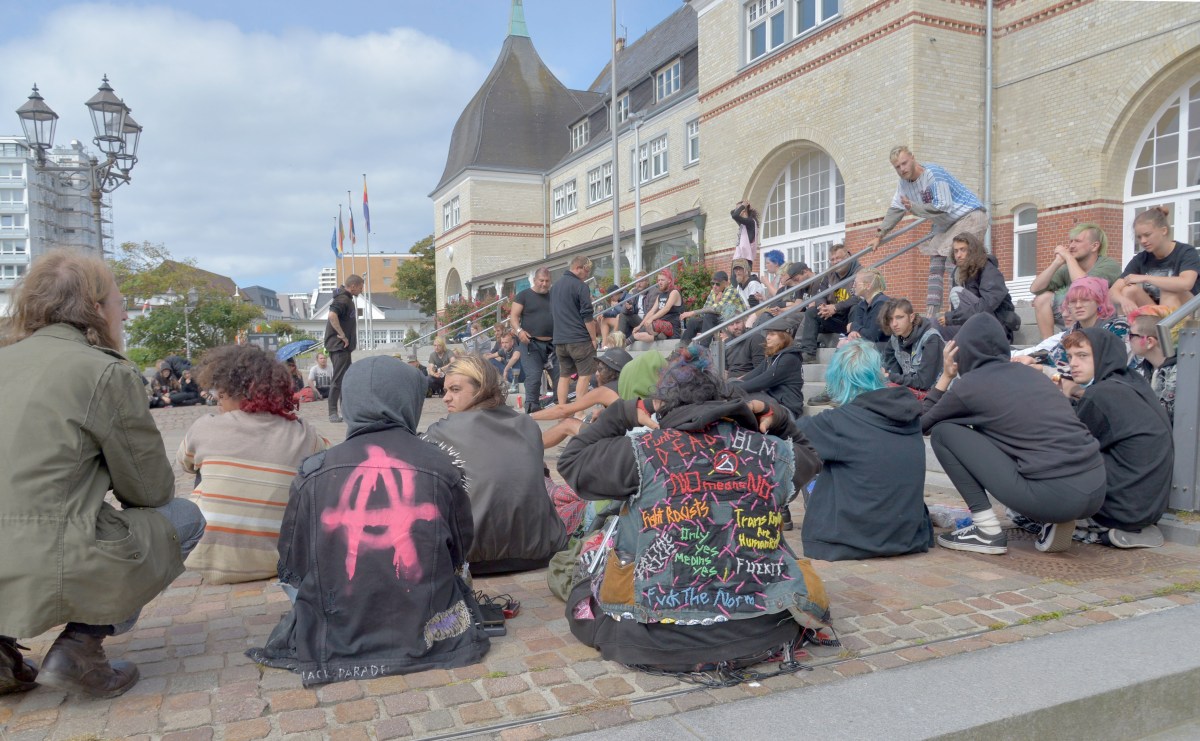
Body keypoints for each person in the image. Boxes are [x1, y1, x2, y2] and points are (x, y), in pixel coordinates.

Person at [0, 250, 205, 698]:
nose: (124, 312)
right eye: (118, 301)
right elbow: (149, 491)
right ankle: (80, 648)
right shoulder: (104, 370)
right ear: (94, 308)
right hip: (48, 555)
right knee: (184, 517)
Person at [557, 346, 828, 672]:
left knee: (585, 575)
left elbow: (571, 462)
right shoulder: (770, 452)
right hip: (762, 628)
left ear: (666, 406)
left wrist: (622, 413)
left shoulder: (642, 451)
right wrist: (781, 417)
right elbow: (810, 456)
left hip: (656, 638)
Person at [249, 357, 489, 685]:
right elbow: (460, 552)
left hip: (334, 640)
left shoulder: (313, 471)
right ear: (410, 400)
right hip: (431, 636)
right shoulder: (441, 465)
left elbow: (292, 563)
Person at [922, 314, 1106, 556]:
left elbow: (921, 424)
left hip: (1054, 495)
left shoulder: (970, 386)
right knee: (1011, 436)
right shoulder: (1032, 374)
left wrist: (945, 377)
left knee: (944, 433)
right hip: (1097, 486)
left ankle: (986, 530)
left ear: (961, 351)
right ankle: (1053, 520)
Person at [178, 345, 328, 584]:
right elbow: (326, 462)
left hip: (207, 561)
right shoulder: (304, 433)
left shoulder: (205, 426)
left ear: (235, 393)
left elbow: (184, 464)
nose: (218, 403)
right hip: (280, 560)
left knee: (199, 473)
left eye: (222, 396)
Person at [424, 355, 567, 574]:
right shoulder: (527, 424)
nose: (446, 398)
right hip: (542, 551)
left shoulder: (440, 431)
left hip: (471, 558)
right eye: (445, 391)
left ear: (481, 388)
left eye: (455, 390)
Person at [796, 341, 932, 560]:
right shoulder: (910, 415)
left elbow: (788, 433)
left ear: (838, 379)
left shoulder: (837, 423)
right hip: (908, 538)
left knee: (801, 453)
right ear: (880, 374)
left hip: (848, 541)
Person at [1057, 329, 1172, 548]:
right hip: (1149, 506)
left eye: (1082, 355)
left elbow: (1067, 446)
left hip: (1121, 509)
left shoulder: (1100, 395)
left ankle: (1100, 532)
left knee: (1022, 508)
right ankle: (1120, 532)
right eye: (1070, 356)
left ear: (1102, 355)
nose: (1073, 363)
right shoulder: (1133, 382)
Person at [864, 146, 988, 318]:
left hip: (969, 216)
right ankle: (931, 313)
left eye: (904, 163)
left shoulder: (933, 174)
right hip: (948, 224)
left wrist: (914, 208)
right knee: (936, 262)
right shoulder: (903, 185)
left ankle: (957, 310)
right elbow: (896, 209)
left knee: (953, 257)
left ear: (913, 158)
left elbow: (943, 207)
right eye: (897, 167)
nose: (902, 169)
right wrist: (880, 235)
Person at [1012, 276, 1130, 374]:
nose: (1078, 305)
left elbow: (1098, 368)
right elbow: (1055, 358)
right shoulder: (1073, 331)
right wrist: (1032, 360)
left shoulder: (1117, 328)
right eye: (1073, 302)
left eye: (1085, 300)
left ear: (1099, 302)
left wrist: (1042, 368)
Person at [1029, 223, 1120, 340]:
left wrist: (1068, 257)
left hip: (1100, 319)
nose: (1071, 246)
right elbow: (1035, 289)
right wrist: (1056, 263)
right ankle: (1047, 344)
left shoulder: (1109, 265)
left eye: (1077, 241)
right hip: (1072, 314)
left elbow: (1086, 286)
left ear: (1094, 246)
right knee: (1042, 298)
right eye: (1071, 241)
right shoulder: (1067, 267)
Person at [1110, 206, 1199, 315]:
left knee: (1168, 290)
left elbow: (1186, 283)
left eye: (1147, 235)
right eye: (1139, 237)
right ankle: (1124, 329)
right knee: (1128, 291)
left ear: (1164, 230)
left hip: (1190, 313)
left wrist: (1145, 278)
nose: (1143, 241)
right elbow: (1113, 291)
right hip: (1156, 313)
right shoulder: (1141, 258)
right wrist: (1123, 301)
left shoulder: (1186, 252)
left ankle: (1169, 331)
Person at [536, 348, 632, 447]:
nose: (597, 374)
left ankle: (528, 447)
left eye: (600, 369)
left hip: (616, 441)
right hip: (629, 437)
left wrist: (530, 416)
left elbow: (563, 410)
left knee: (567, 423)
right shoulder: (627, 386)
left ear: (610, 372)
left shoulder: (604, 391)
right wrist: (603, 412)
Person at [939, 232, 1020, 341]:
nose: (958, 255)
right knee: (933, 325)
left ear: (972, 250)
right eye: (956, 251)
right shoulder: (958, 273)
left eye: (963, 250)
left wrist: (952, 318)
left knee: (956, 292)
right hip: (969, 324)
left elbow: (985, 307)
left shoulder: (988, 270)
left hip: (995, 328)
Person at [731, 315, 807, 419]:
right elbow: (751, 376)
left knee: (743, 397)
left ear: (784, 336)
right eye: (767, 334)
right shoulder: (772, 357)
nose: (767, 337)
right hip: (773, 402)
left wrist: (729, 390)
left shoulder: (789, 359)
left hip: (786, 410)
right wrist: (732, 383)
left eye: (772, 334)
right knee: (733, 384)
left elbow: (761, 382)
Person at [797, 243, 859, 363]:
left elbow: (859, 297)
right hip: (833, 317)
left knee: (856, 307)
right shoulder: (829, 274)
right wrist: (823, 307)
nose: (835, 262)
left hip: (850, 318)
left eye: (838, 258)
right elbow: (821, 294)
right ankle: (808, 354)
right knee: (811, 311)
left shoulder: (859, 272)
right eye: (832, 259)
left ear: (848, 256)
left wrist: (835, 307)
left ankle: (853, 350)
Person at [550, 256, 598, 407]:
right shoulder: (581, 286)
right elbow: (587, 316)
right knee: (584, 375)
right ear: (578, 268)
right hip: (579, 340)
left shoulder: (555, 287)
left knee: (564, 376)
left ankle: (561, 410)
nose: (587, 275)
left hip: (560, 340)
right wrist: (594, 338)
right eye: (586, 270)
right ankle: (579, 411)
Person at [510, 267, 560, 413]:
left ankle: (559, 405)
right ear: (534, 280)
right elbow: (513, 317)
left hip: (553, 344)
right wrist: (519, 332)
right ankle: (531, 408)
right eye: (541, 281)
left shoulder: (554, 296)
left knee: (560, 376)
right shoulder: (523, 295)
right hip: (531, 343)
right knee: (534, 377)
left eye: (547, 281)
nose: (544, 284)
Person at [880, 298, 945, 395]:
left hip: (937, 396)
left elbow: (924, 382)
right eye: (890, 319)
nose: (894, 324)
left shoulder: (931, 339)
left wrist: (890, 376)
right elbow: (891, 369)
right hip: (912, 393)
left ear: (911, 317)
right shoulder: (895, 339)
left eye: (899, 317)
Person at [324, 273, 364, 423]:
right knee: (339, 379)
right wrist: (342, 335)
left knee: (346, 379)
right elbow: (332, 315)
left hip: (343, 348)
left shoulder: (347, 298)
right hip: (338, 346)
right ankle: (332, 412)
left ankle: (345, 411)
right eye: (360, 287)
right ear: (353, 286)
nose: (361, 290)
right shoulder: (343, 299)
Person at [1129, 305, 1177, 423]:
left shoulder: (1180, 372)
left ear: (1149, 341)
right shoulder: (1138, 370)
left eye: (1132, 336)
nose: (1127, 339)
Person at [679, 271, 746, 347]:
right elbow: (705, 310)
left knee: (709, 316)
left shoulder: (731, 290)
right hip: (721, 321)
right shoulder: (713, 292)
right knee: (693, 322)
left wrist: (692, 312)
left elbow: (716, 309)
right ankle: (680, 350)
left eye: (717, 284)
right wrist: (716, 301)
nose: (714, 286)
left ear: (725, 283)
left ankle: (703, 348)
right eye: (713, 283)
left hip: (735, 322)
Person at [632, 269, 683, 343]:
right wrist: (639, 326)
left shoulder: (674, 292)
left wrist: (651, 319)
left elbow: (666, 308)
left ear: (669, 280)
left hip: (672, 325)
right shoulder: (660, 295)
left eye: (662, 280)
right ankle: (659, 337)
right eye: (658, 280)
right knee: (636, 335)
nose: (660, 282)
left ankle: (624, 343)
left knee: (653, 324)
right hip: (659, 326)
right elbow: (651, 311)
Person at [844, 269, 890, 344]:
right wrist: (854, 332)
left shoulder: (881, 303)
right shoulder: (861, 304)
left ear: (868, 286)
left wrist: (853, 325)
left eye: (856, 283)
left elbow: (872, 336)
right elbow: (857, 331)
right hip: (867, 345)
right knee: (843, 343)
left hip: (882, 347)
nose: (853, 286)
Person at [617, 273, 657, 339]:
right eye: (637, 282)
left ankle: (622, 342)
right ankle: (619, 340)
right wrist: (628, 308)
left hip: (647, 321)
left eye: (641, 281)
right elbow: (623, 310)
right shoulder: (635, 292)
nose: (639, 284)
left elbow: (651, 313)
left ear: (647, 282)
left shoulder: (653, 292)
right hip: (638, 320)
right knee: (622, 315)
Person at [731, 200, 760, 271]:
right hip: (738, 259)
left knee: (742, 281)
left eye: (737, 209)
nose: (735, 211)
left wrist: (743, 205)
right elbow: (732, 214)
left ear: (743, 210)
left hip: (744, 260)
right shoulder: (743, 224)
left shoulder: (750, 222)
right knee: (734, 281)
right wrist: (741, 206)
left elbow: (734, 215)